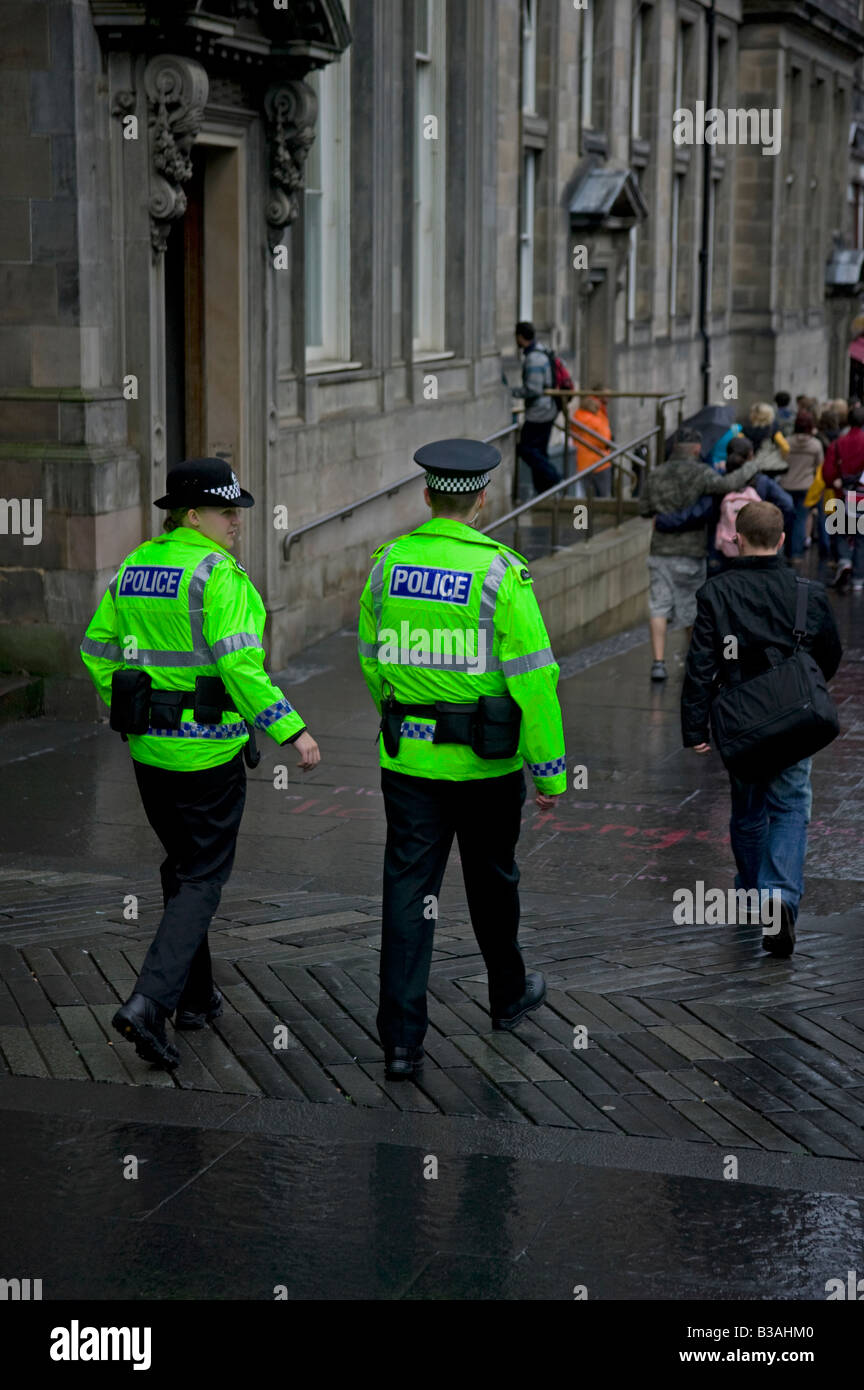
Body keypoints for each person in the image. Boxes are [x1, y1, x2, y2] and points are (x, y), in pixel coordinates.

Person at [80, 459, 321, 1069]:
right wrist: (292, 730)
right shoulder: (219, 576)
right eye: (225, 510)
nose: (236, 521)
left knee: (183, 866)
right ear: (193, 515)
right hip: (208, 755)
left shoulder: (135, 566)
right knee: (204, 876)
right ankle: (148, 1003)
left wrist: (128, 701)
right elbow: (242, 668)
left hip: (149, 754)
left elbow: (95, 648)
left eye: (237, 510)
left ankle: (193, 997)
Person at [357, 439, 566, 1079]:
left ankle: (399, 1041)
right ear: (481, 498)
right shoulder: (501, 571)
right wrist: (550, 768)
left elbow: (371, 658)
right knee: (492, 881)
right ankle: (507, 996)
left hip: (410, 765)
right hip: (487, 768)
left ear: (427, 497)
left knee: (407, 893)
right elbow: (533, 677)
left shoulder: (387, 564)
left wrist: (400, 714)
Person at [681, 501, 842, 958]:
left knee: (748, 810)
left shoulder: (717, 591)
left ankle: (753, 896)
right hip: (794, 719)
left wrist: (695, 726)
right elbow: (829, 653)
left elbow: (700, 666)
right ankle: (779, 897)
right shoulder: (805, 592)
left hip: (740, 722)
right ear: (784, 539)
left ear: (736, 537)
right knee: (791, 806)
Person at [638, 427, 763, 682]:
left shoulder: (656, 474)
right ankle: (693, 659)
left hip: (660, 549)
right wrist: (753, 465)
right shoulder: (702, 473)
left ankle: (658, 663)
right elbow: (728, 483)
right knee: (690, 608)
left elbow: (643, 509)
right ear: (696, 449)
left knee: (658, 606)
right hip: (691, 551)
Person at [653, 435, 794, 574]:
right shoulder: (762, 482)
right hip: (757, 549)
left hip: (721, 552)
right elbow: (787, 504)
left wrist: (662, 521)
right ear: (751, 456)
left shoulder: (719, 483)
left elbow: (696, 513)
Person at [512, 320, 562, 494]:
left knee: (526, 449)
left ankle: (554, 477)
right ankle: (544, 491)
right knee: (539, 451)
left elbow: (533, 389)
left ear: (520, 337)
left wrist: (511, 392)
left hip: (539, 412)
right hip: (548, 410)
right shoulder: (541, 350)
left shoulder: (533, 358)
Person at [822, 403, 864, 592]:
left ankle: (845, 561)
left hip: (842, 494)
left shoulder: (838, 443)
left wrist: (835, 481)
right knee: (862, 537)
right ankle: (858, 579)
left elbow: (828, 473)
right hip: (862, 495)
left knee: (841, 531)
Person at [779, 409, 823, 561]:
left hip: (786, 484)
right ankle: (796, 554)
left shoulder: (787, 442)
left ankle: (783, 551)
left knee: (786, 519)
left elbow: (781, 461)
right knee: (801, 519)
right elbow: (819, 464)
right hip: (805, 485)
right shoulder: (815, 445)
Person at [568, 391, 613, 498]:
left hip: (582, 462)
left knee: (586, 497)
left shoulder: (577, 416)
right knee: (602, 496)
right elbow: (605, 441)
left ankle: (586, 515)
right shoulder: (597, 419)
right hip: (600, 462)